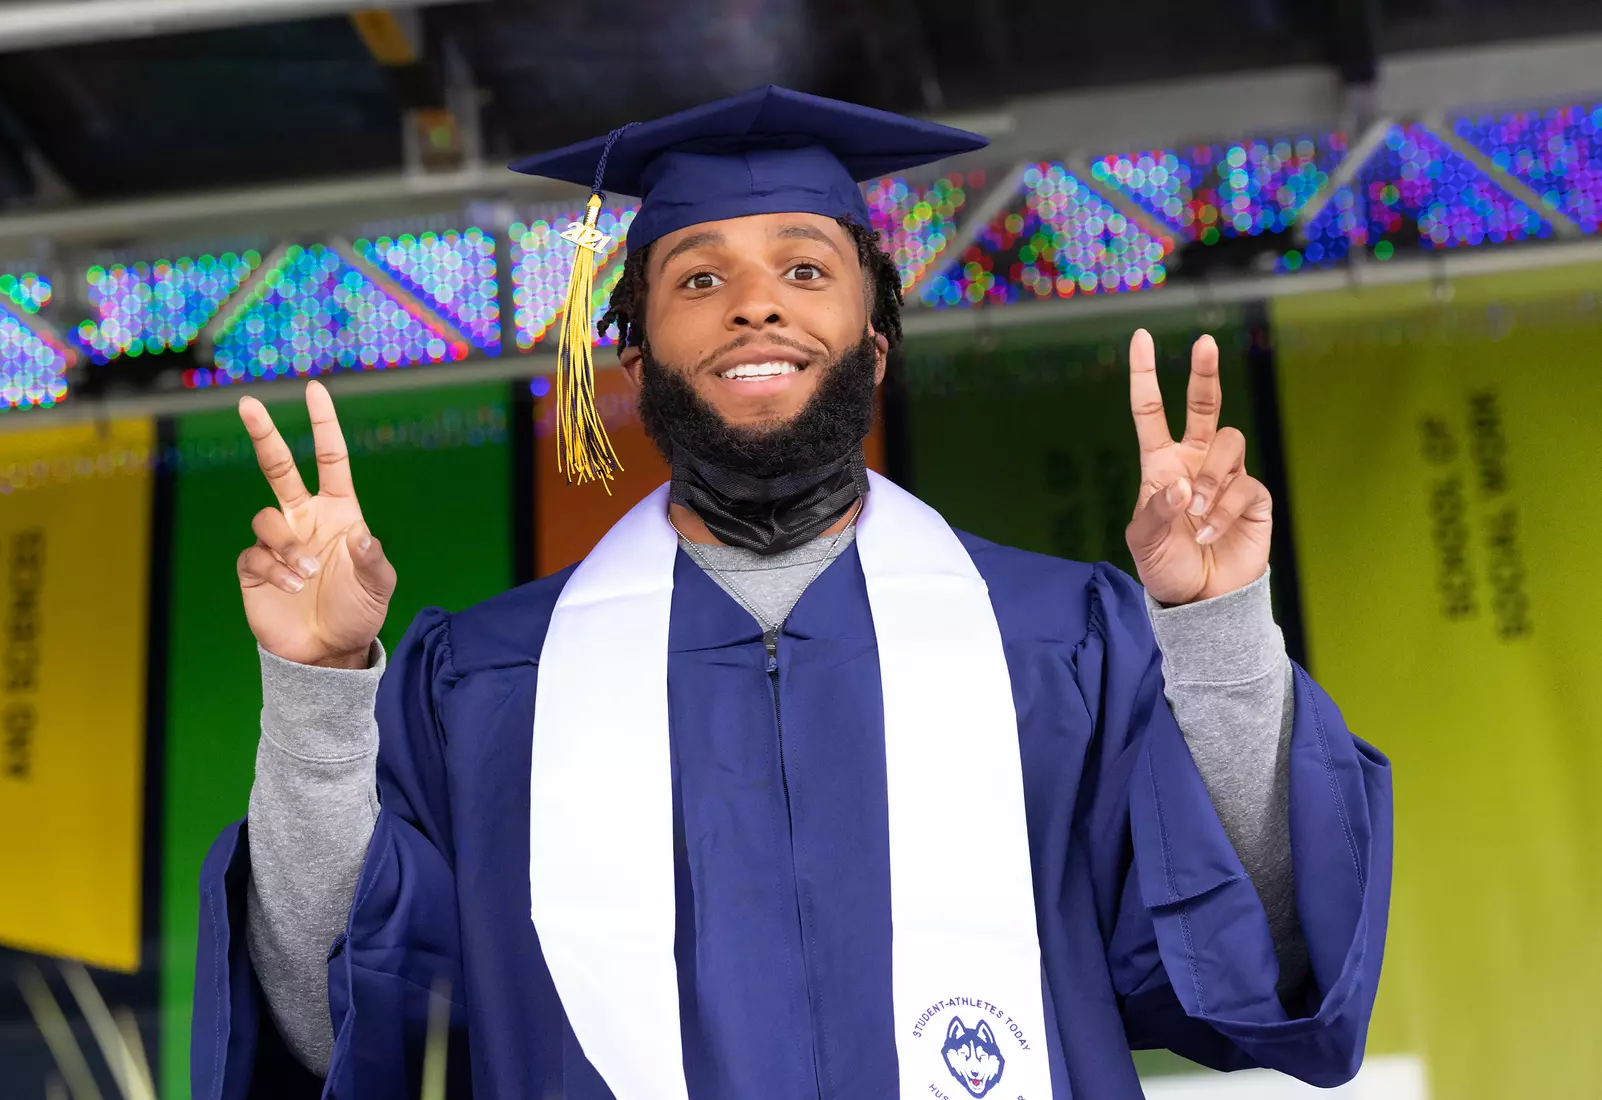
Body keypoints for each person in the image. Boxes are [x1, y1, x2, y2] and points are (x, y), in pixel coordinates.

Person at [192, 86, 1390, 1100]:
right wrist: (318, 692)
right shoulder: (492, 682)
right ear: (635, 354)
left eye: (805, 268)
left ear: (873, 343)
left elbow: (1256, 966)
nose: (755, 301)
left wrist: (1218, 630)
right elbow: (322, 1027)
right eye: (698, 277)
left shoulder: (1059, 642)